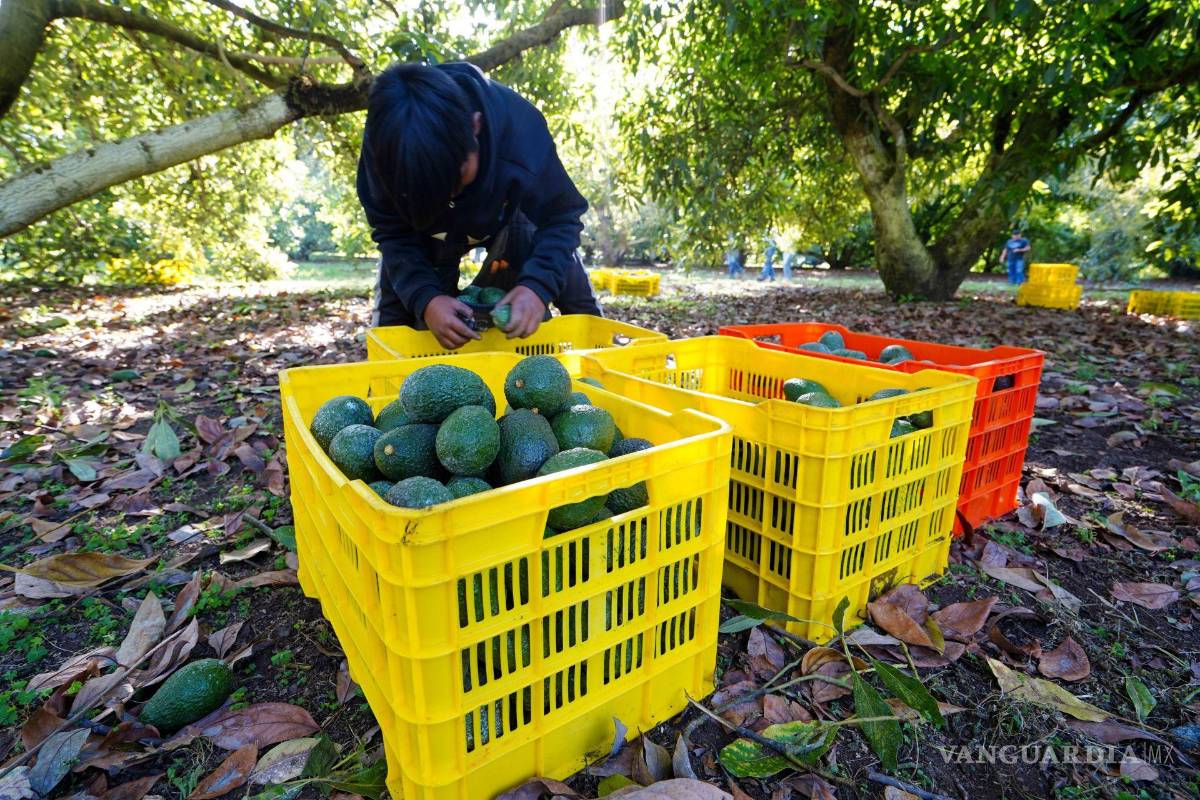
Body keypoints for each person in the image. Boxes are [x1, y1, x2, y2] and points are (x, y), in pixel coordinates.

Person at [357, 62, 601, 349]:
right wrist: (427, 299)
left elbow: (562, 216)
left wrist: (537, 287)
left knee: (577, 299)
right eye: (435, 190)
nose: (450, 194)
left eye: (457, 178)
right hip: (421, 232)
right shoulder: (384, 154)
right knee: (396, 325)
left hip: (512, 213)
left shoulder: (522, 134)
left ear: (475, 127)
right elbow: (392, 234)